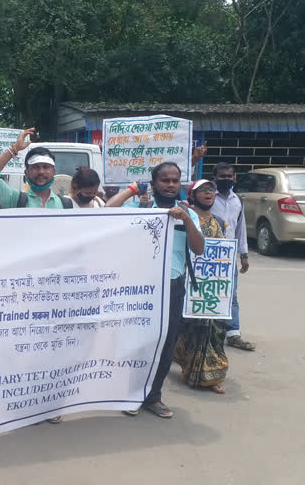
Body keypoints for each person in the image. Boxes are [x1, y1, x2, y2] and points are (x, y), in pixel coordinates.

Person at [107, 162, 205, 419]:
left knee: (165, 343)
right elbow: (107, 211)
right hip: (139, 287)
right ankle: (131, 395)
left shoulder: (187, 213)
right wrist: (130, 190)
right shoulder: (140, 208)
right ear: (154, 183)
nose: (170, 185)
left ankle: (153, 397)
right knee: (137, 342)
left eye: (175, 180)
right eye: (164, 180)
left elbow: (198, 249)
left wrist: (186, 220)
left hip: (172, 287)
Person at [173, 179, 229, 393]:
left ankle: (212, 376)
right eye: (203, 191)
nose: (208, 194)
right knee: (190, 328)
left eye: (211, 191)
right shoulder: (186, 217)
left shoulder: (220, 221)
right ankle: (190, 369)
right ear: (193, 195)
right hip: (189, 281)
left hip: (213, 286)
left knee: (214, 330)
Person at [211, 162, 255, 351]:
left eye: (229, 176)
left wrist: (243, 255)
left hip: (228, 257)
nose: (226, 179)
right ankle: (204, 331)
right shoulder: (207, 197)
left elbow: (240, 228)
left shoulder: (238, 200)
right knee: (206, 293)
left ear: (234, 178)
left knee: (231, 295)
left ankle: (233, 333)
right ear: (215, 178)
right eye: (222, 176)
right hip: (208, 255)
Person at [0, 128, 67, 209]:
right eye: (35, 167)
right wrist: (14, 149)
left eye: (46, 167)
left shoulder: (65, 204)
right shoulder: (14, 199)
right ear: (26, 173)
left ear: (54, 172)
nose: (41, 171)